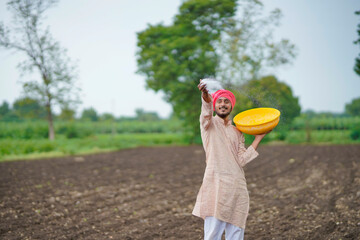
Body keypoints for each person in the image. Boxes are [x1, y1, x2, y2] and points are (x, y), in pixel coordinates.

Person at [192, 79, 270, 240]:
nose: (222, 104)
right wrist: (206, 95)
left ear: (231, 106)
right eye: (219, 101)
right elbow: (205, 111)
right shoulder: (208, 124)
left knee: (236, 233)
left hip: (237, 187)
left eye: (226, 101)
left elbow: (241, 160)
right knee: (213, 233)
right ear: (215, 105)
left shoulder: (237, 131)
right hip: (216, 185)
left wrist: (257, 139)